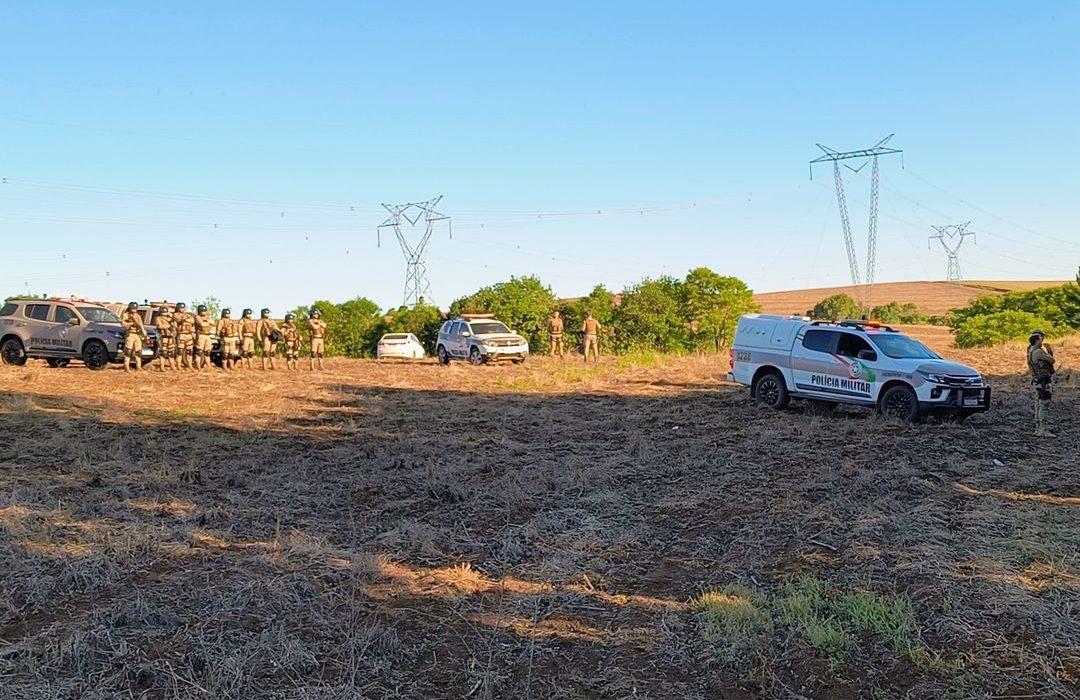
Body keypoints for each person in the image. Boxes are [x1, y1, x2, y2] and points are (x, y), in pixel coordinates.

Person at [1027, 331, 1057, 438]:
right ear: (1036, 340)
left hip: (1038, 381)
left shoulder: (1030, 350)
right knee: (1044, 405)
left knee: (1038, 404)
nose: (1042, 340)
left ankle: (1038, 428)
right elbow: (1052, 360)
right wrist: (1049, 351)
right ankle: (1043, 429)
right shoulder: (1038, 352)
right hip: (1044, 381)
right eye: (1040, 338)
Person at [119, 301, 148, 373]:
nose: (134, 310)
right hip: (130, 334)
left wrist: (143, 331)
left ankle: (138, 366)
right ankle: (126, 367)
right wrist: (131, 323)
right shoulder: (126, 315)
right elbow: (123, 324)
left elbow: (141, 324)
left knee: (138, 352)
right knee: (128, 351)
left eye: (135, 308)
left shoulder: (138, 315)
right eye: (133, 308)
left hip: (137, 334)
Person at [173, 302, 195, 370]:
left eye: (183, 308)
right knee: (180, 351)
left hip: (189, 334)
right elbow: (179, 320)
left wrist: (185, 318)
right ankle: (178, 365)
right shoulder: (175, 315)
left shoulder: (188, 315)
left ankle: (189, 365)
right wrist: (185, 319)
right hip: (181, 334)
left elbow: (192, 321)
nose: (182, 309)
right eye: (181, 308)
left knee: (190, 351)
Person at [154, 304, 175, 371]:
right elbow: (159, 326)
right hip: (163, 337)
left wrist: (169, 314)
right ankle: (162, 367)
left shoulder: (169, 318)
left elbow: (174, 321)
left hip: (170, 337)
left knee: (171, 353)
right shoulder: (158, 318)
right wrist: (168, 326)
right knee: (163, 353)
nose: (164, 314)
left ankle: (172, 366)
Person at [193, 304, 214, 370]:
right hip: (200, 335)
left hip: (207, 335)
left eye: (205, 311)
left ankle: (208, 365)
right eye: (203, 311)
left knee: (207, 352)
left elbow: (213, 322)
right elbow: (202, 324)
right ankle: (197, 365)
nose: (204, 312)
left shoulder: (207, 317)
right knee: (199, 351)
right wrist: (208, 322)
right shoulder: (197, 317)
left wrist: (206, 321)